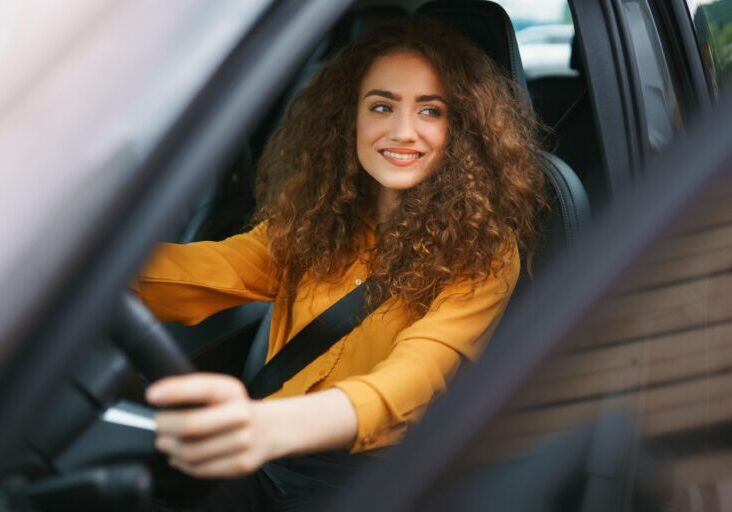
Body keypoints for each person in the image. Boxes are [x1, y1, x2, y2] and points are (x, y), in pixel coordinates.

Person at [137, 18, 547, 511]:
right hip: (265, 458)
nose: (402, 132)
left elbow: (413, 379)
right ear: (348, 118)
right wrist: (72, 277)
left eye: (430, 111)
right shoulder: (315, 219)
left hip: (369, 478)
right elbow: (206, 270)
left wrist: (271, 427)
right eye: (381, 106)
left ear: (461, 128)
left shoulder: (484, 252)